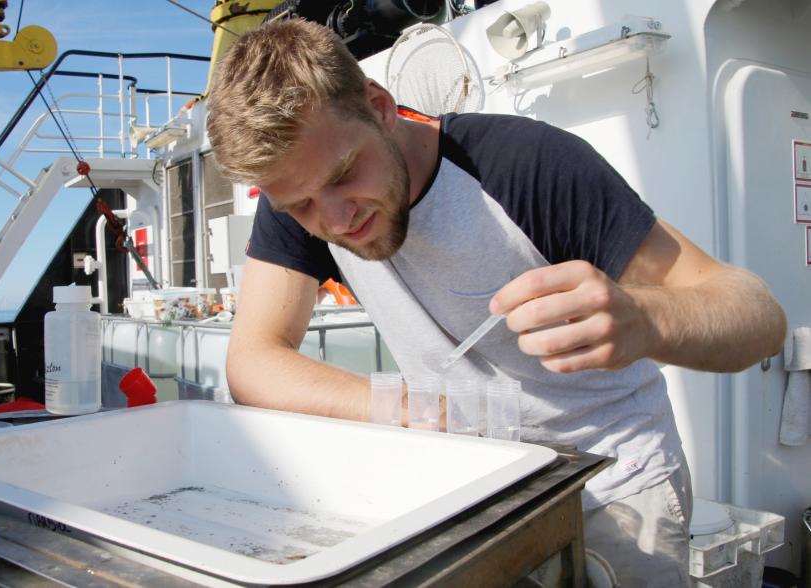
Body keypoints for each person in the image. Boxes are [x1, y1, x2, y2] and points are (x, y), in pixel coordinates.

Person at [206, 18, 786, 586]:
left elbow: (757, 317)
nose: (335, 220)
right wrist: (404, 408)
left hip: (614, 486)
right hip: (476, 489)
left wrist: (644, 318)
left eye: (345, 173)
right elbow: (253, 362)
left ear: (379, 105)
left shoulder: (528, 166)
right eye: (302, 207)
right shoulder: (300, 189)